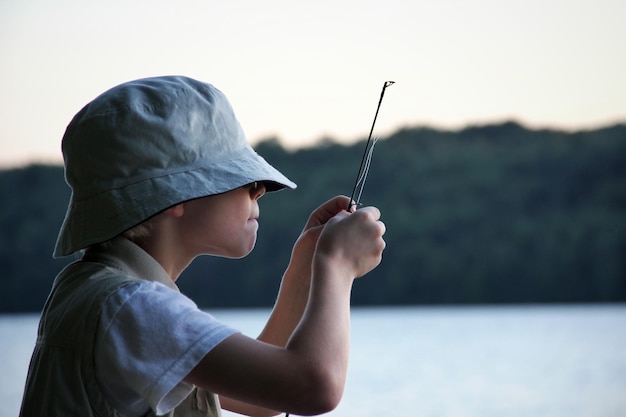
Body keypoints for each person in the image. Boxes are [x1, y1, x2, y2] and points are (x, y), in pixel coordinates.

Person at [19, 75, 386, 417]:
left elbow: (256, 397)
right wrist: (336, 266)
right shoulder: (134, 307)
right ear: (172, 196)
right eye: (241, 179)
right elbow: (313, 387)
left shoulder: (92, 292)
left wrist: (304, 271)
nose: (258, 189)